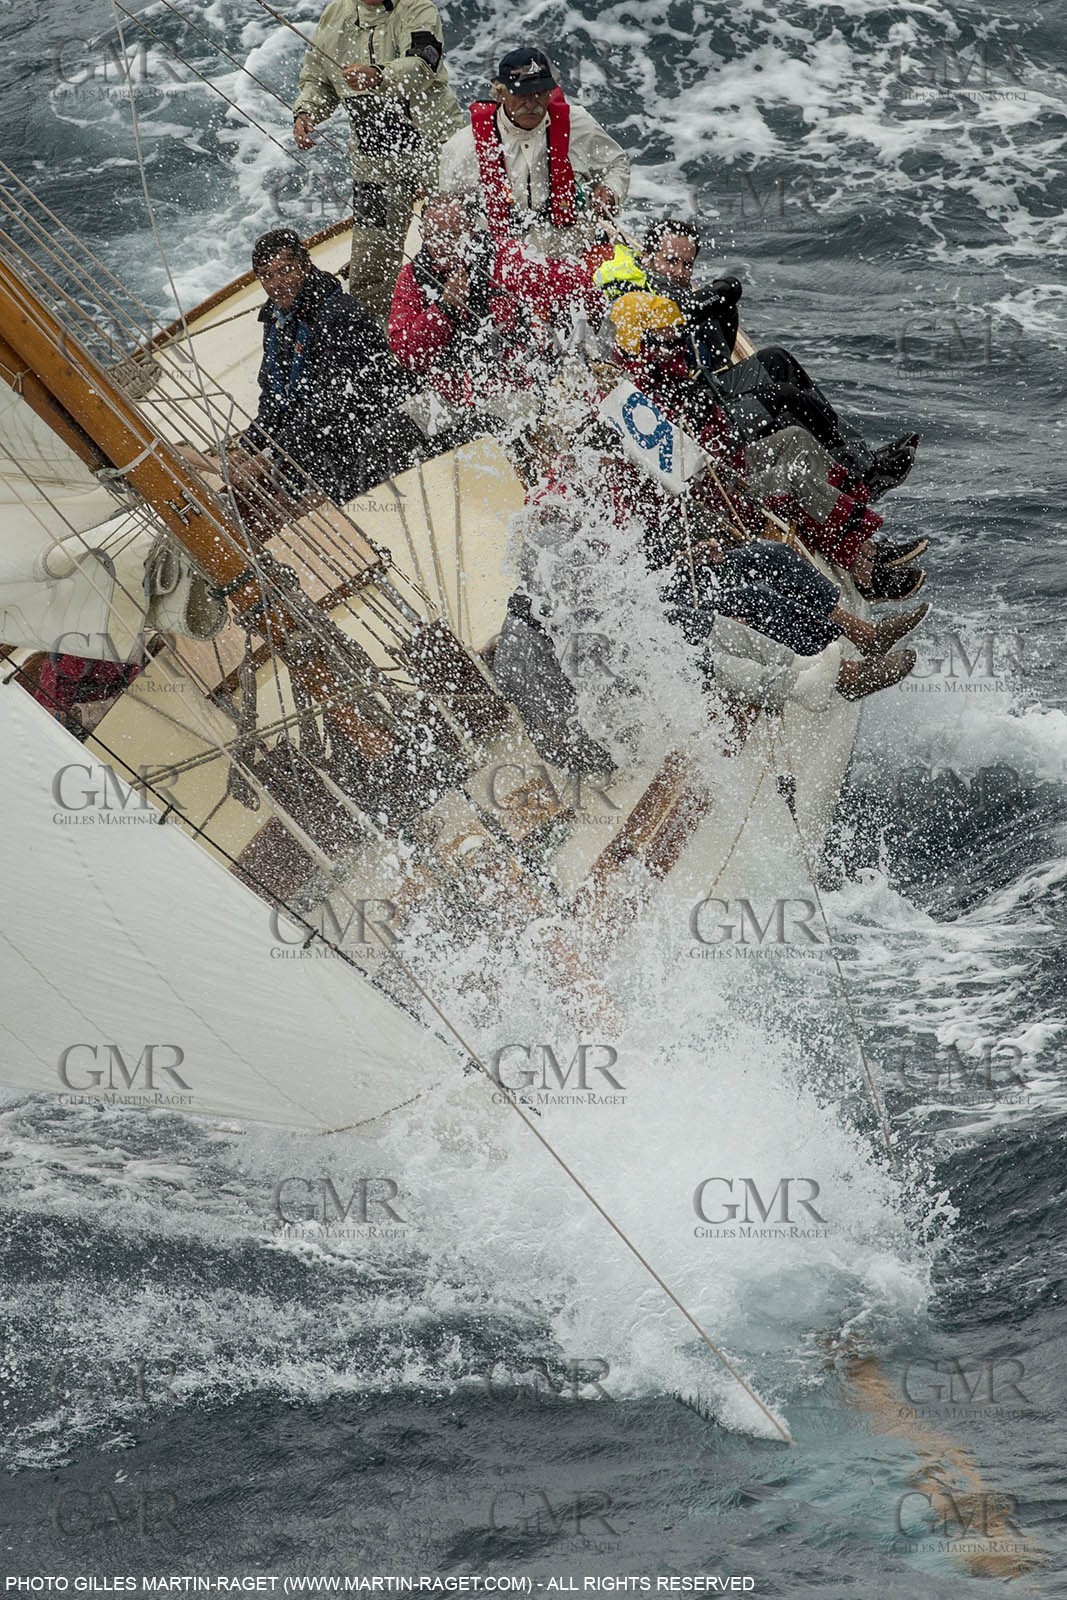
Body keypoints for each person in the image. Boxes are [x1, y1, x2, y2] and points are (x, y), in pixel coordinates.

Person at [604, 289, 926, 602]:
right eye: (667, 340)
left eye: (678, 337)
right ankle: (862, 565)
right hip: (720, 495)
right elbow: (683, 470)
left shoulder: (671, 377)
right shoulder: (640, 401)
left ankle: (854, 532)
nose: (677, 346)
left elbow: (716, 439)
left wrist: (710, 417)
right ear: (640, 344)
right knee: (796, 476)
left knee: (797, 440)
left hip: (729, 463)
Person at [230, 228, 423, 543]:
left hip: (378, 426)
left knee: (298, 501)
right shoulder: (279, 320)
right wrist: (247, 447)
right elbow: (276, 398)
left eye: (285, 270)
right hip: (331, 430)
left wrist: (270, 456)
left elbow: (330, 404)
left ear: (306, 266)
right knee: (261, 490)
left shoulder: (337, 314)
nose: (277, 284)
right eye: (267, 276)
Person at [292, 0, 464, 323]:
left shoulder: (417, 8)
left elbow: (424, 63)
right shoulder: (335, 14)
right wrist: (306, 112)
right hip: (374, 162)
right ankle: (379, 351)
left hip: (435, 148)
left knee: (458, 243)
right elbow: (317, 79)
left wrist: (379, 76)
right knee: (371, 266)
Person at [388, 191, 600, 444]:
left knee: (475, 437)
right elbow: (408, 354)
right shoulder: (412, 277)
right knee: (388, 438)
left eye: (454, 235)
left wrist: (574, 345)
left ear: (471, 230)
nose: (443, 245)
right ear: (423, 234)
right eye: (434, 236)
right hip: (451, 396)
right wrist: (444, 310)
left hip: (514, 391)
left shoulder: (508, 257)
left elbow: (580, 286)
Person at [438, 47, 630, 262]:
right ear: (500, 93)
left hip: (571, 257)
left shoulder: (579, 125)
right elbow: (447, 208)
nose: (531, 104)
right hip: (500, 265)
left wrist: (611, 190)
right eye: (522, 94)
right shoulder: (464, 146)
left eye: (539, 93)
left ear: (551, 92)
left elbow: (617, 164)